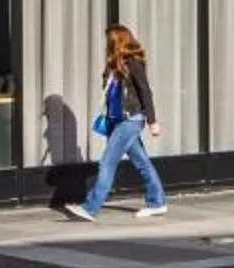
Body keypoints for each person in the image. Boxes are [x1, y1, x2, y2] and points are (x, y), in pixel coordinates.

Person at [66, 23, 167, 220]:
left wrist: (153, 121)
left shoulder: (134, 64)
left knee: (107, 162)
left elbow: (145, 92)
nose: (106, 45)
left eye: (109, 41)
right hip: (115, 120)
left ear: (118, 42)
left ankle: (90, 208)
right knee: (141, 162)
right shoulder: (114, 65)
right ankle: (158, 202)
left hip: (130, 120)